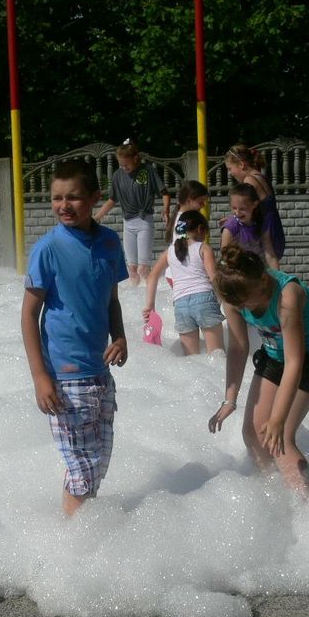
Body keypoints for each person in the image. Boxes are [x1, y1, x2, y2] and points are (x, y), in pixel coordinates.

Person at [21, 158, 129, 516]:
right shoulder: (48, 249)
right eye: (57, 198)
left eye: (73, 197)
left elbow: (111, 300)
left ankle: (79, 531)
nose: (64, 205)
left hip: (100, 373)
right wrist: (40, 377)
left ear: (95, 197)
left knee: (96, 465)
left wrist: (120, 337)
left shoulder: (110, 243)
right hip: (64, 378)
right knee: (83, 472)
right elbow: (28, 315)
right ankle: (73, 539)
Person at [208, 245, 309, 496]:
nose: (242, 309)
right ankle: (275, 494)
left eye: (246, 302)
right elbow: (238, 347)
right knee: (252, 434)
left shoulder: (288, 296)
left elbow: (295, 362)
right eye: (237, 304)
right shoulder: (235, 296)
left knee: (281, 436)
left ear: (263, 281)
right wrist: (229, 400)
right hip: (274, 352)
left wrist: (277, 419)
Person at [143, 210, 224, 355]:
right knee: (217, 354)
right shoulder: (203, 248)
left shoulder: (169, 252)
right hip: (204, 299)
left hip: (181, 305)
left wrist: (150, 306)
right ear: (200, 229)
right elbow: (214, 278)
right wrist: (225, 299)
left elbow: (152, 276)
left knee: (191, 360)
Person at [94, 139, 170, 286]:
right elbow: (112, 200)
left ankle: (151, 293)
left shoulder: (147, 171)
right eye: (121, 165)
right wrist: (96, 217)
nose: (123, 168)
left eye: (126, 164)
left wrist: (165, 209)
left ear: (135, 158)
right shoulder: (117, 175)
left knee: (143, 268)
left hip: (144, 222)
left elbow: (165, 193)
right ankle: (134, 295)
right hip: (127, 224)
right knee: (132, 268)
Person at [224, 144, 285, 260]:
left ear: (241, 164)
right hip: (274, 228)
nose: (230, 173)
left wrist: (234, 219)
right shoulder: (260, 176)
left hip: (264, 232)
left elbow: (246, 206)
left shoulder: (249, 180)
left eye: (230, 168)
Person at [221, 183, 279, 269]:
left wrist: (277, 274)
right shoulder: (230, 228)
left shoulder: (262, 223)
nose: (237, 212)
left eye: (242, 209)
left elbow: (270, 255)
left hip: (258, 270)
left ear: (254, 204)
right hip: (237, 271)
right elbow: (225, 258)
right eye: (234, 208)